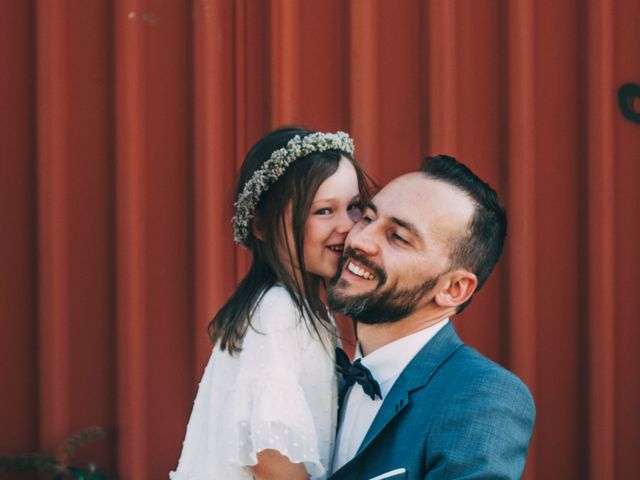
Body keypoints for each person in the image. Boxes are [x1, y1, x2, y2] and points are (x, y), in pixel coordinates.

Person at [170, 127, 371, 480]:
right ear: (262, 225)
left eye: (354, 207)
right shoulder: (278, 311)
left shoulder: (306, 310)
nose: (348, 225)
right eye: (324, 211)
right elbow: (271, 453)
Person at [327, 155, 535, 479]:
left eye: (398, 237)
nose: (359, 240)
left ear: (454, 288)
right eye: (368, 218)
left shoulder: (482, 396)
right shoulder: (319, 374)